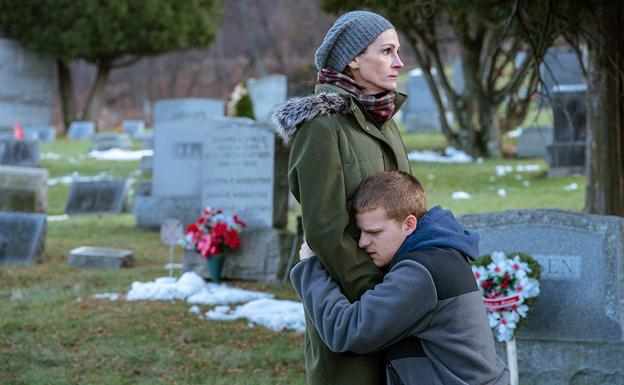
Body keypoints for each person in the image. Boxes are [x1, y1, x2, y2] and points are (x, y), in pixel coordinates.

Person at [271, 10, 411, 385]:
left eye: (397, 51)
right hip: (349, 304)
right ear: (352, 58)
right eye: (386, 51)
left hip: (395, 295)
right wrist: (378, 295)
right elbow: (325, 228)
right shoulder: (322, 127)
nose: (398, 62)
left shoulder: (384, 118)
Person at [291, 171, 510, 385]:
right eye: (361, 232)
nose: (362, 243)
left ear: (409, 224)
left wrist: (309, 269)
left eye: (375, 233)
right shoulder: (440, 254)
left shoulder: (421, 273)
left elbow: (348, 332)